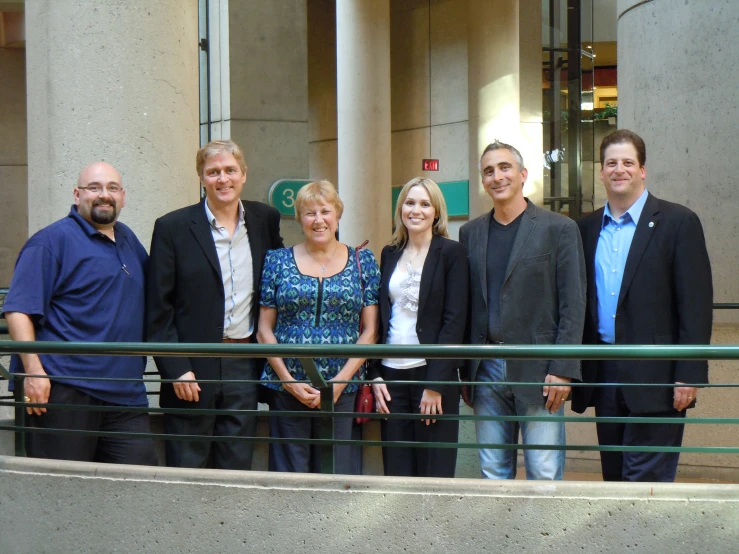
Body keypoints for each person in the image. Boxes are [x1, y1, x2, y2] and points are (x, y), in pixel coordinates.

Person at [571, 129, 713, 482]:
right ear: (601, 172)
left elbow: (695, 306)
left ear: (643, 170)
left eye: (628, 162)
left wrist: (689, 373)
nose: (619, 170)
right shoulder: (584, 229)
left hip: (658, 378)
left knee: (645, 484)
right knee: (615, 480)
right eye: (611, 163)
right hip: (603, 374)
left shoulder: (679, 223)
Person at [3, 162, 157, 465]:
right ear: (77, 194)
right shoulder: (50, 242)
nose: (104, 195)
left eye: (112, 188)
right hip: (65, 391)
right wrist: (33, 372)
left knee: (139, 489)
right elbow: (19, 309)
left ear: (123, 196)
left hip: (126, 394)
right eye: (94, 188)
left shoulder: (128, 240)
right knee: (61, 491)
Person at [146, 139, 283, 470]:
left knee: (237, 467)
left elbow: (281, 280)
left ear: (244, 174)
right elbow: (157, 309)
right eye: (213, 172)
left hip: (244, 362)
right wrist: (175, 368)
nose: (223, 179)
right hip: (193, 365)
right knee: (186, 465)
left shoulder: (265, 219)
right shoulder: (172, 228)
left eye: (230, 170)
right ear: (202, 178)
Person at [459, 140, 586, 480]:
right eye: (488, 171)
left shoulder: (558, 228)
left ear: (523, 175)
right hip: (485, 369)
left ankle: (542, 536)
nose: (497, 176)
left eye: (504, 168)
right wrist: (464, 368)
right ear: (483, 181)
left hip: (540, 369)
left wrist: (563, 368)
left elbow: (573, 304)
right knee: (492, 471)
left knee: (544, 471)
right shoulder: (470, 233)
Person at [257, 180, 380, 475]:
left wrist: (339, 382)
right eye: (309, 213)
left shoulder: (363, 261)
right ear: (300, 219)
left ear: (337, 215)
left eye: (325, 211)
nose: (318, 220)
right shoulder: (277, 261)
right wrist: (287, 380)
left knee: (338, 473)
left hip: (343, 388)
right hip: (288, 388)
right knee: (289, 476)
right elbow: (264, 329)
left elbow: (371, 331)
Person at [370, 177, 469, 478]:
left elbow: (455, 321)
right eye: (410, 203)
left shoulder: (452, 253)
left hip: (431, 375)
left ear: (436, 212)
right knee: (397, 470)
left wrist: (435, 385)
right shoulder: (390, 253)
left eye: (425, 204)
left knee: (433, 471)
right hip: (390, 377)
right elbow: (380, 316)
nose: (416, 210)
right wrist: (375, 372)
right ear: (400, 209)